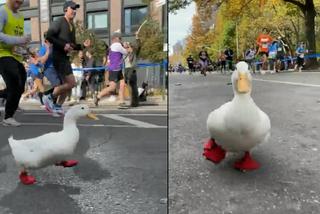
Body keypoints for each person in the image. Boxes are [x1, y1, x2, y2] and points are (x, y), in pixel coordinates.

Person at [44, 0, 90, 113]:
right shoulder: (60, 21)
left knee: (66, 85)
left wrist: (82, 46)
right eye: (72, 8)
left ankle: (58, 106)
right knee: (71, 83)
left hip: (65, 58)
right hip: (58, 57)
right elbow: (48, 36)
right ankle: (49, 96)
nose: (74, 11)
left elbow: (72, 45)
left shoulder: (72, 26)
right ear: (66, 9)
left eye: (75, 9)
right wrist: (63, 45)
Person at [0, 0, 31, 126]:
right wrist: (19, 39)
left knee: (20, 87)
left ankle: (8, 112)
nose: (19, 4)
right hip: (2, 54)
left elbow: (17, 39)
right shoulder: (2, 11)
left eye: (21, 2)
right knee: (14, 81)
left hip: (16, 56)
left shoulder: (21, 16)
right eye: (16, 1)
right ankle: (8, 117)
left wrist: (24, 48)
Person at [94, 32, 127, 106]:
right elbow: (125, 52)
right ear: (116, 38)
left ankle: (121, 101)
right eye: (120, 38)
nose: (121, 39)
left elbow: (110, 59)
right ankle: (98, 96)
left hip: (116, 68)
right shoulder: (117, 45)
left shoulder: (111, 46)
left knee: (122, 84)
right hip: (115, 69)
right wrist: (125, 46)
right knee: (112, 87)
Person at [123, 32, 141, 107]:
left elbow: (138, 46)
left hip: (131, 69)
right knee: (130, 85)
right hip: (126, 70)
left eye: (127, 47)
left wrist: (137, 37)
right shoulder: (125, 54)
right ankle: (134, 102)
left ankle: (134, 102)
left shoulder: (134, 52)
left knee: (132, 86)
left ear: (131, 47)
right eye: (125, 47)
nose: (126, 48)